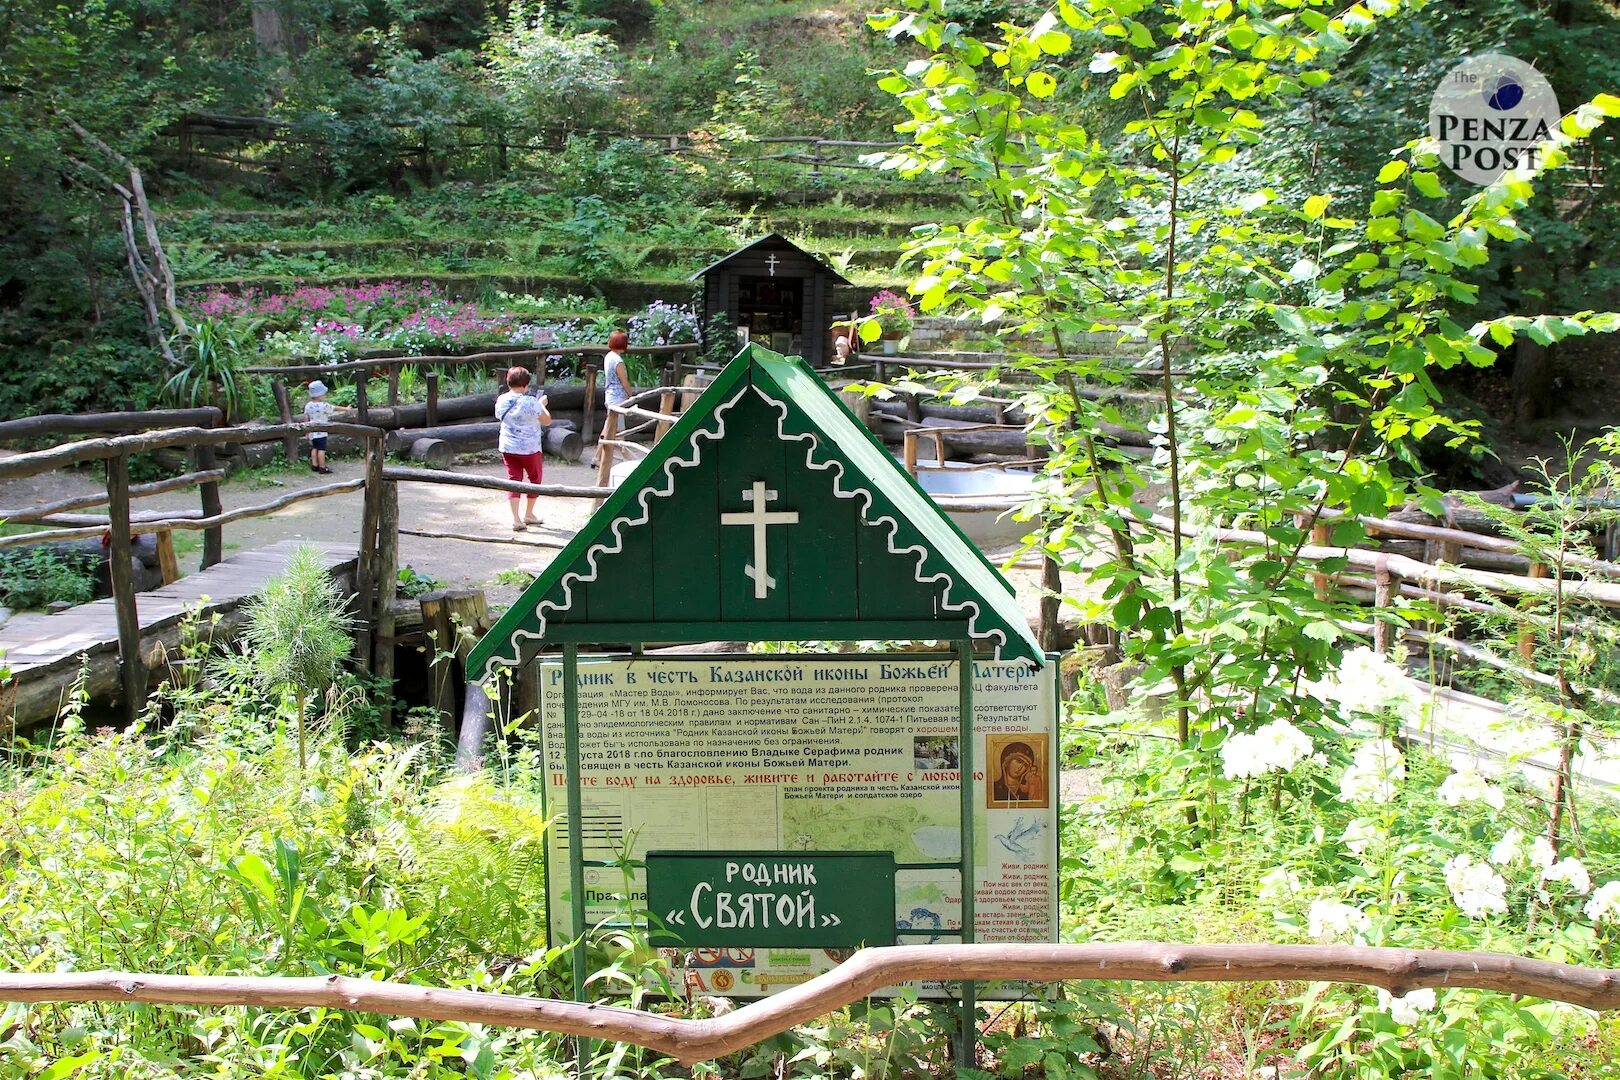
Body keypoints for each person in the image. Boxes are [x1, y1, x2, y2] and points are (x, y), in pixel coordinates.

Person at [496, 366, 550, 531]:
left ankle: (516, 519)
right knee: (535, 479)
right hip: (529, 449)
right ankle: (529, 514)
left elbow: (499, 416)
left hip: (508, 447)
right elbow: (547, 420)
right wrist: (542, 405)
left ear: (508, 382)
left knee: (514, 480)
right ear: (526, 385)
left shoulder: (502, 400)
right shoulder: (531, 402)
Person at [304, 380, 334, 474]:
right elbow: (334, 408)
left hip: (312, 431)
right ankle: (322, 467)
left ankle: (314, 464)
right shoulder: (324, 405)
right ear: (320, 395)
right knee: (321, 450)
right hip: (322, 431)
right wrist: (346, 409)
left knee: (314, 448)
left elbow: (306, 417)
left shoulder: (308, 405)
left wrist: (307, 430)